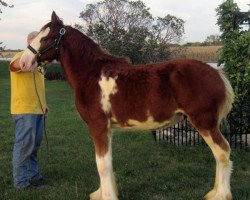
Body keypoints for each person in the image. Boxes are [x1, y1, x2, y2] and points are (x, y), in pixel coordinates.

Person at [9, 31, 47, 189]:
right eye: (38, 42)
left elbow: (39, 87)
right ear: (30, 42)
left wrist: (44, 104)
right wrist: (23, 64)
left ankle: (33, 174)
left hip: (38, 109)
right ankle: (21, 182)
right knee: (24, 145)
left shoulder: (39, 64)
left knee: (34, 145)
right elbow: (14, 65)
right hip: (24, 109)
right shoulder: (20, 55)